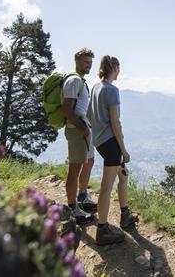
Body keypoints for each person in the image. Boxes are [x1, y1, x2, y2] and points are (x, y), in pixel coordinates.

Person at [88, 55, 138, 245]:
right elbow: (115, 122)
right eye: (119, 68)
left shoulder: (95, 88)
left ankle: (125, 215)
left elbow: (89, 114)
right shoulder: (112, 90)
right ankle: (102, 230)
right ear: (114, 67)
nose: (120, 72)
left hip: (100, 141)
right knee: (107, 187)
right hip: (111, 144)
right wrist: (123, 150)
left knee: (123, 176)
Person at [62, 48, 97, 223]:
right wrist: (82, 129)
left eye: (90, 62)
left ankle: (82, 196)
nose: (89, 65)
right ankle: (72, 207)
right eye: (86, 61)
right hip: (76, 130)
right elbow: (67, 109)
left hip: (83, 128)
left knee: (89, 161)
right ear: (76, 61)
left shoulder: (81, 81)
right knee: (74, 169)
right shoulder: (74, 81)